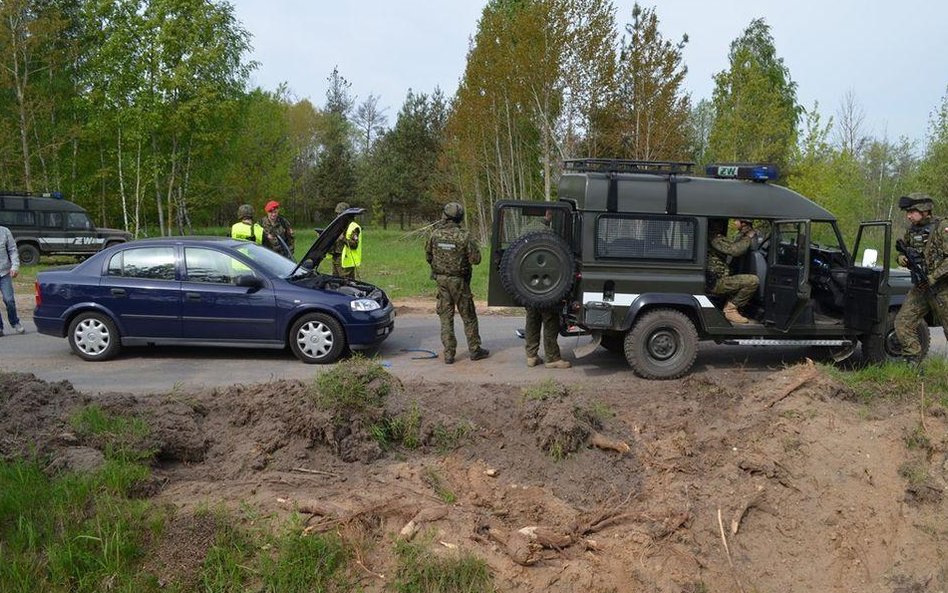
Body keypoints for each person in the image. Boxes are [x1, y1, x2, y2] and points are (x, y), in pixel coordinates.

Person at [426, 202, 489, 364]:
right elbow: (476, 259)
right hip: (459, 282)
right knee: (468, 316)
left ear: (445, 216)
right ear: (460, 217)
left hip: (441, 280)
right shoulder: (464, 236)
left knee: (446, 317)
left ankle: (449, 354)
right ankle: (475, 350)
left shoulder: (435, 234)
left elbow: (428, 256)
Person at [894, 193, 948, 365]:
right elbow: (902, 251)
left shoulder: (942, 227)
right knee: (902, 323)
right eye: (907, 212)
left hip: (942, 288)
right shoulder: (912, 230)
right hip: (920, 287)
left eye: (912, 212)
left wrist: (933, 277)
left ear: (924, 211)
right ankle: (913, 361)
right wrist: (901, 259)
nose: (908, 216)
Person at [523, 210, 570, 368]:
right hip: (547, 283)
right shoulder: (549, 232)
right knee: (550, 320)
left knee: (532, 319)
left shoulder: (525, 229)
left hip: (526, 283)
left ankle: (531, 356)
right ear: (548, 214)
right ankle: (552, 358)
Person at [707, 218, 759, 324]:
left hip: (716, 278)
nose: (721, 225)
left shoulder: (716, 237)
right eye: (718, 222)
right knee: (752, 281)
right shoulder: (714, 238)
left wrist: (743, 233)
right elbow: (735, 250)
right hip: (716, 282)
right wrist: (749, 237)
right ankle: (730, 309)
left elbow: (734, 245)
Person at [0, 225, 25, 336]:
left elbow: (13, 250)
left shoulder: (5, 231)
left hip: (4, 272)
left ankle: (15, 322)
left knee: (9, 300)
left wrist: (15, 267)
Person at [331, 201, 362, 279]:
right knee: (335, 281)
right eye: (337, 214)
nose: (338, 216)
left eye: (340, 214)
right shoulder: (338, 225)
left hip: (345, 259)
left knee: (346, 282)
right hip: (336, 257)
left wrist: (343, 238)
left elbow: (354, 245)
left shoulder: (353, 226)